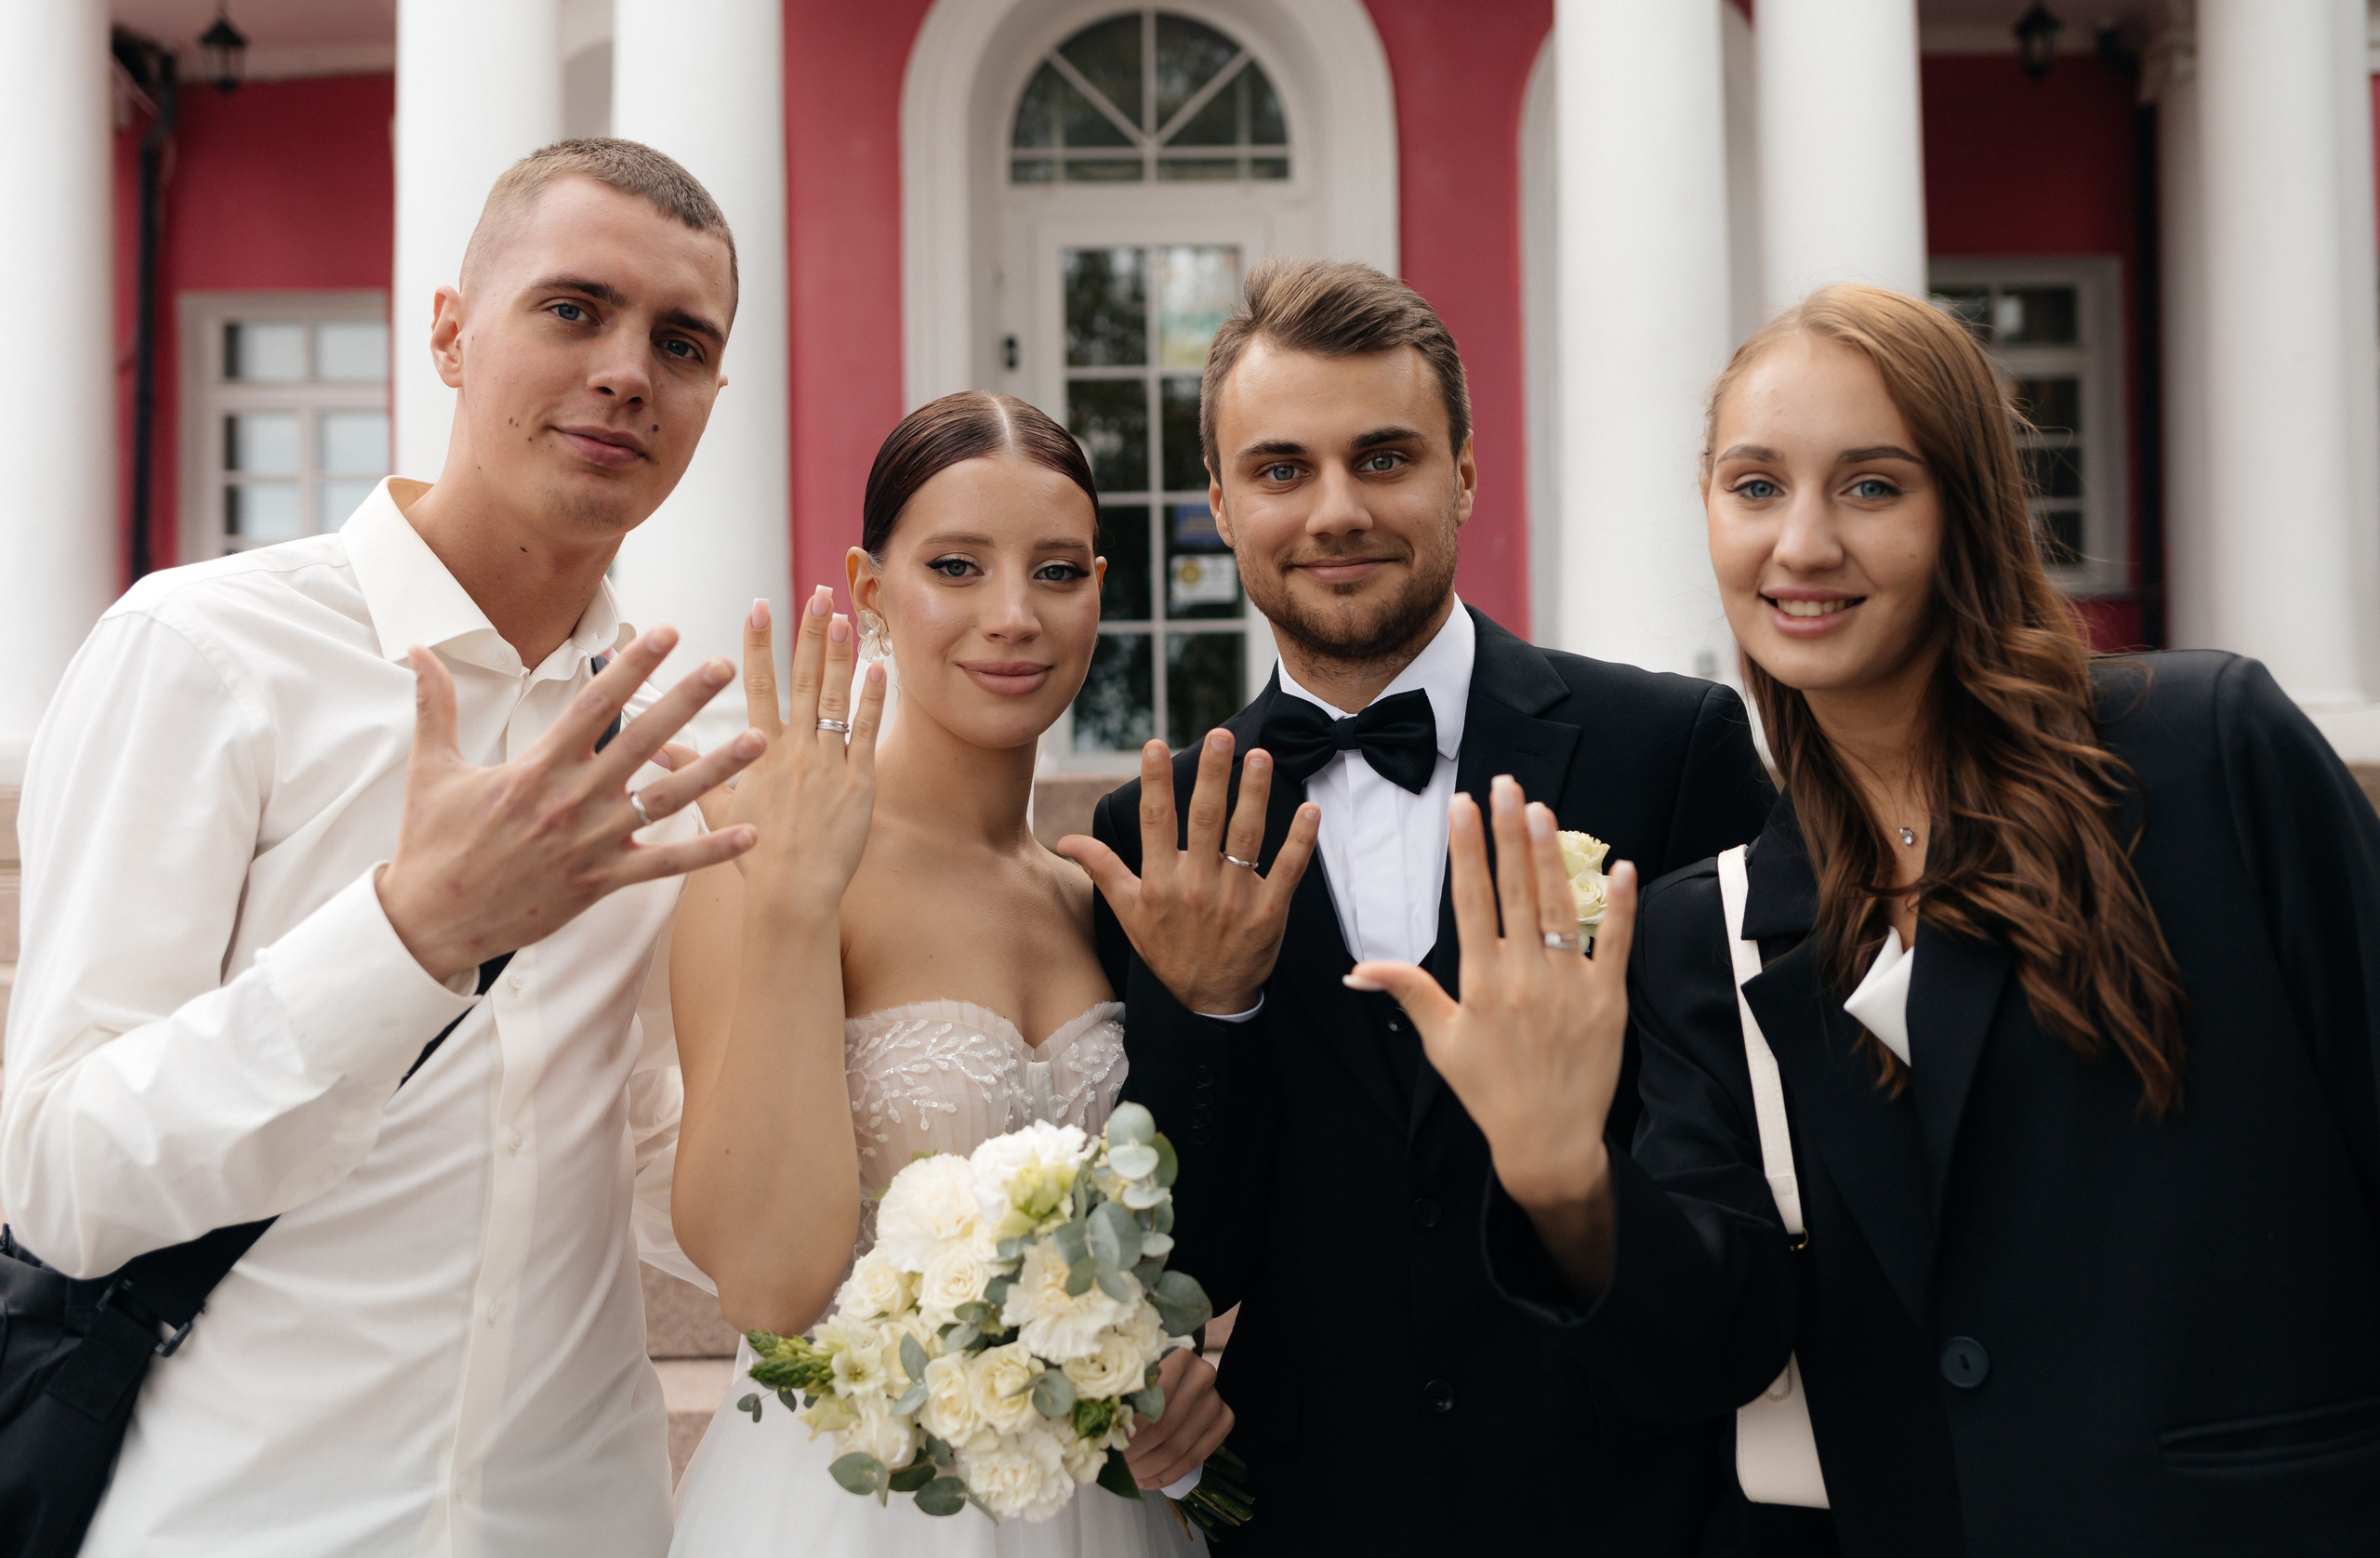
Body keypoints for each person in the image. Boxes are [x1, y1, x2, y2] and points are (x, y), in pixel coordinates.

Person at [1373, 283, 2380, 1555]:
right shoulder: (1709, 928)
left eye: (1870, 485)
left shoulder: (2203, 754)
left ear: (1967, 508)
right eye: (1754, 486)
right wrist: (1560, 1170)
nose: (1800, 545)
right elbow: (1715, 1344)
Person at [1, 139, 764, 1556]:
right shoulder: (204, 650)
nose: (625, 371)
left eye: (682, 341)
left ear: (715, 395)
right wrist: (409, 934)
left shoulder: (665, 756)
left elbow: (670, 1165)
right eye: (572, 308)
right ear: (451, 331)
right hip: (238, 1520)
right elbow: (57, 1170)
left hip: (574, 1520)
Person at [1061, 257, 1777, 1554]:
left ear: (1464, 476)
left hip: (1641, 1506)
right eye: (1282, 469)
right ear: (1221, 503)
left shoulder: (1667, 750)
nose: (1335, 509)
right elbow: (1193, 1262)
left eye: (1383, 457)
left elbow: (1754, 1175)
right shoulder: (1151, 836)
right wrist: (1210, 1007)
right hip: (1317, 1513)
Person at [666, 391, 1227, 1557]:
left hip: (1098, 1511)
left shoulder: (1093, 897)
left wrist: (1173, 1371)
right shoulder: (774, 852)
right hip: (843, 1510)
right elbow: (767, 1289)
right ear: (873, 594)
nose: (1012, 617)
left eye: (1057, 572)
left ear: (1098, 592)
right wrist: (790, 909)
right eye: (957, 568)